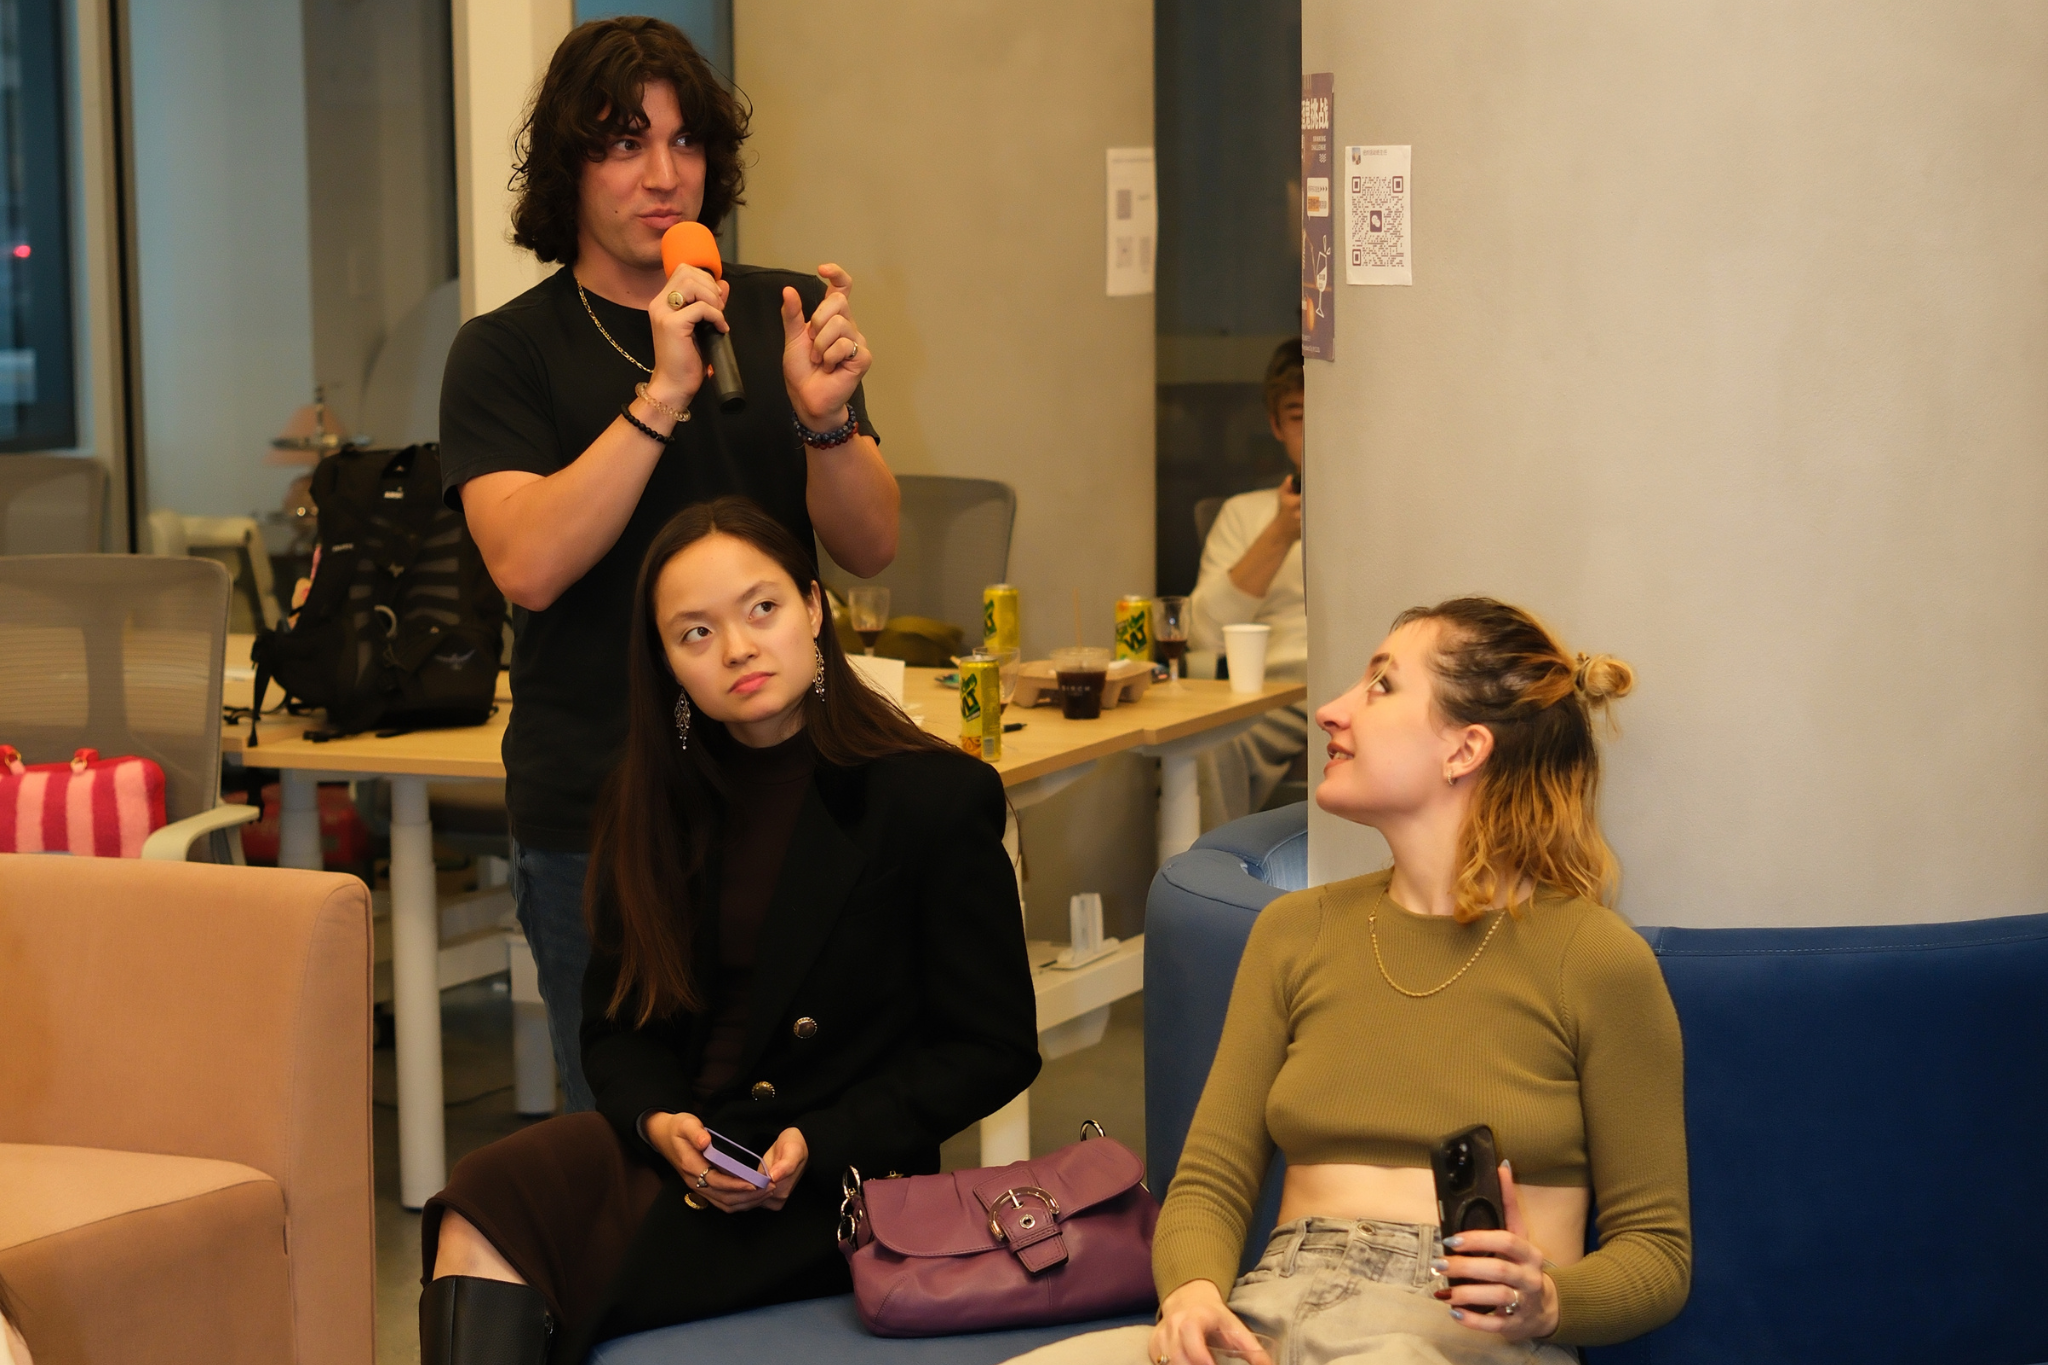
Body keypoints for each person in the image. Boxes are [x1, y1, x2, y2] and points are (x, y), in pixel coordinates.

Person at [418, 497, 1041, 1363]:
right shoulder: (646, 803)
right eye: (696, 633)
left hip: (834, 1184)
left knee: (543, 1257)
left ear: (815, 608)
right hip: (691, 1155)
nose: (739, 648)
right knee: (484, 1194)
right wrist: (657, 1121)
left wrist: (821, 1141)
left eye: (763, 608)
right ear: (667, 660)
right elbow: (614, 1028)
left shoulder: (929, 797)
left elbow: (996, 1045)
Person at [1015, 598, 1689, 1365]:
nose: (1331, 712)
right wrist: (1194, 1295)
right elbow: (1208, 1179)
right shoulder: (1297, 932)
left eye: (1380, 686)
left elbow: (1658, 1253)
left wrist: (1551, 1300)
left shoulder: (1596, 958)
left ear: (1464, 749)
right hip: (1266, 1312)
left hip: (1462, 1337)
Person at [439, 16, 901, 1112]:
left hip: (792, 780)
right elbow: (527, 565)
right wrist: (658, 398)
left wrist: (822, 421)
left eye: (685, 143)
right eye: (622, 144)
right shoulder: (507, 351)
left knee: (814, 1104)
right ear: (568, 166)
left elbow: (872, 542)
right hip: (602, 806)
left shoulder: (774, 311)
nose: (663, 176)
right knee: (634, 1128)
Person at [1189, 340, 1308, 829]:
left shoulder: (1386, 509)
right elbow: (1204, 635)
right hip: (1272, 689)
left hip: (1363, 680)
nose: (1318, 431)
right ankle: (1212, 888)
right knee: (1208, 742)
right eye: (1299, 416)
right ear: (1277, 426)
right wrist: (1280, 533)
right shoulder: (1245, 514)